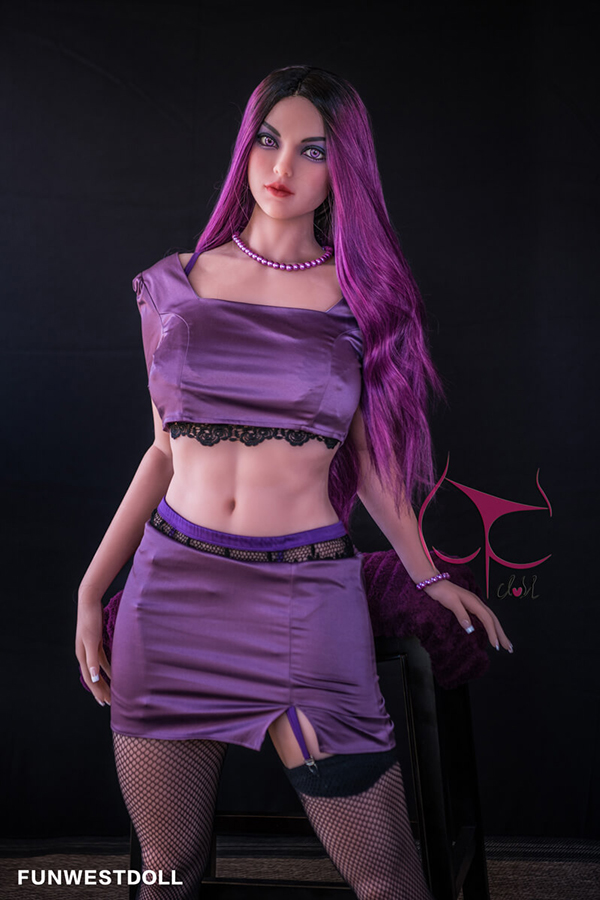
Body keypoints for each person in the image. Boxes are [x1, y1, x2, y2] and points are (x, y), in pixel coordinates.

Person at [75, 65, 512, 900]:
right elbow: (163, 450)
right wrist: (95, 591)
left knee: (388, 878)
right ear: (245, 146)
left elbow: (373, 465)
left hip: (303, 602)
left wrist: (427, 573)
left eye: (313, 151)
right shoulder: (171, 284)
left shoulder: (359, 300)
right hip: (171, 595)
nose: (281, 167)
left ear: (342, 171)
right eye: (269, 140)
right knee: (167, 875)